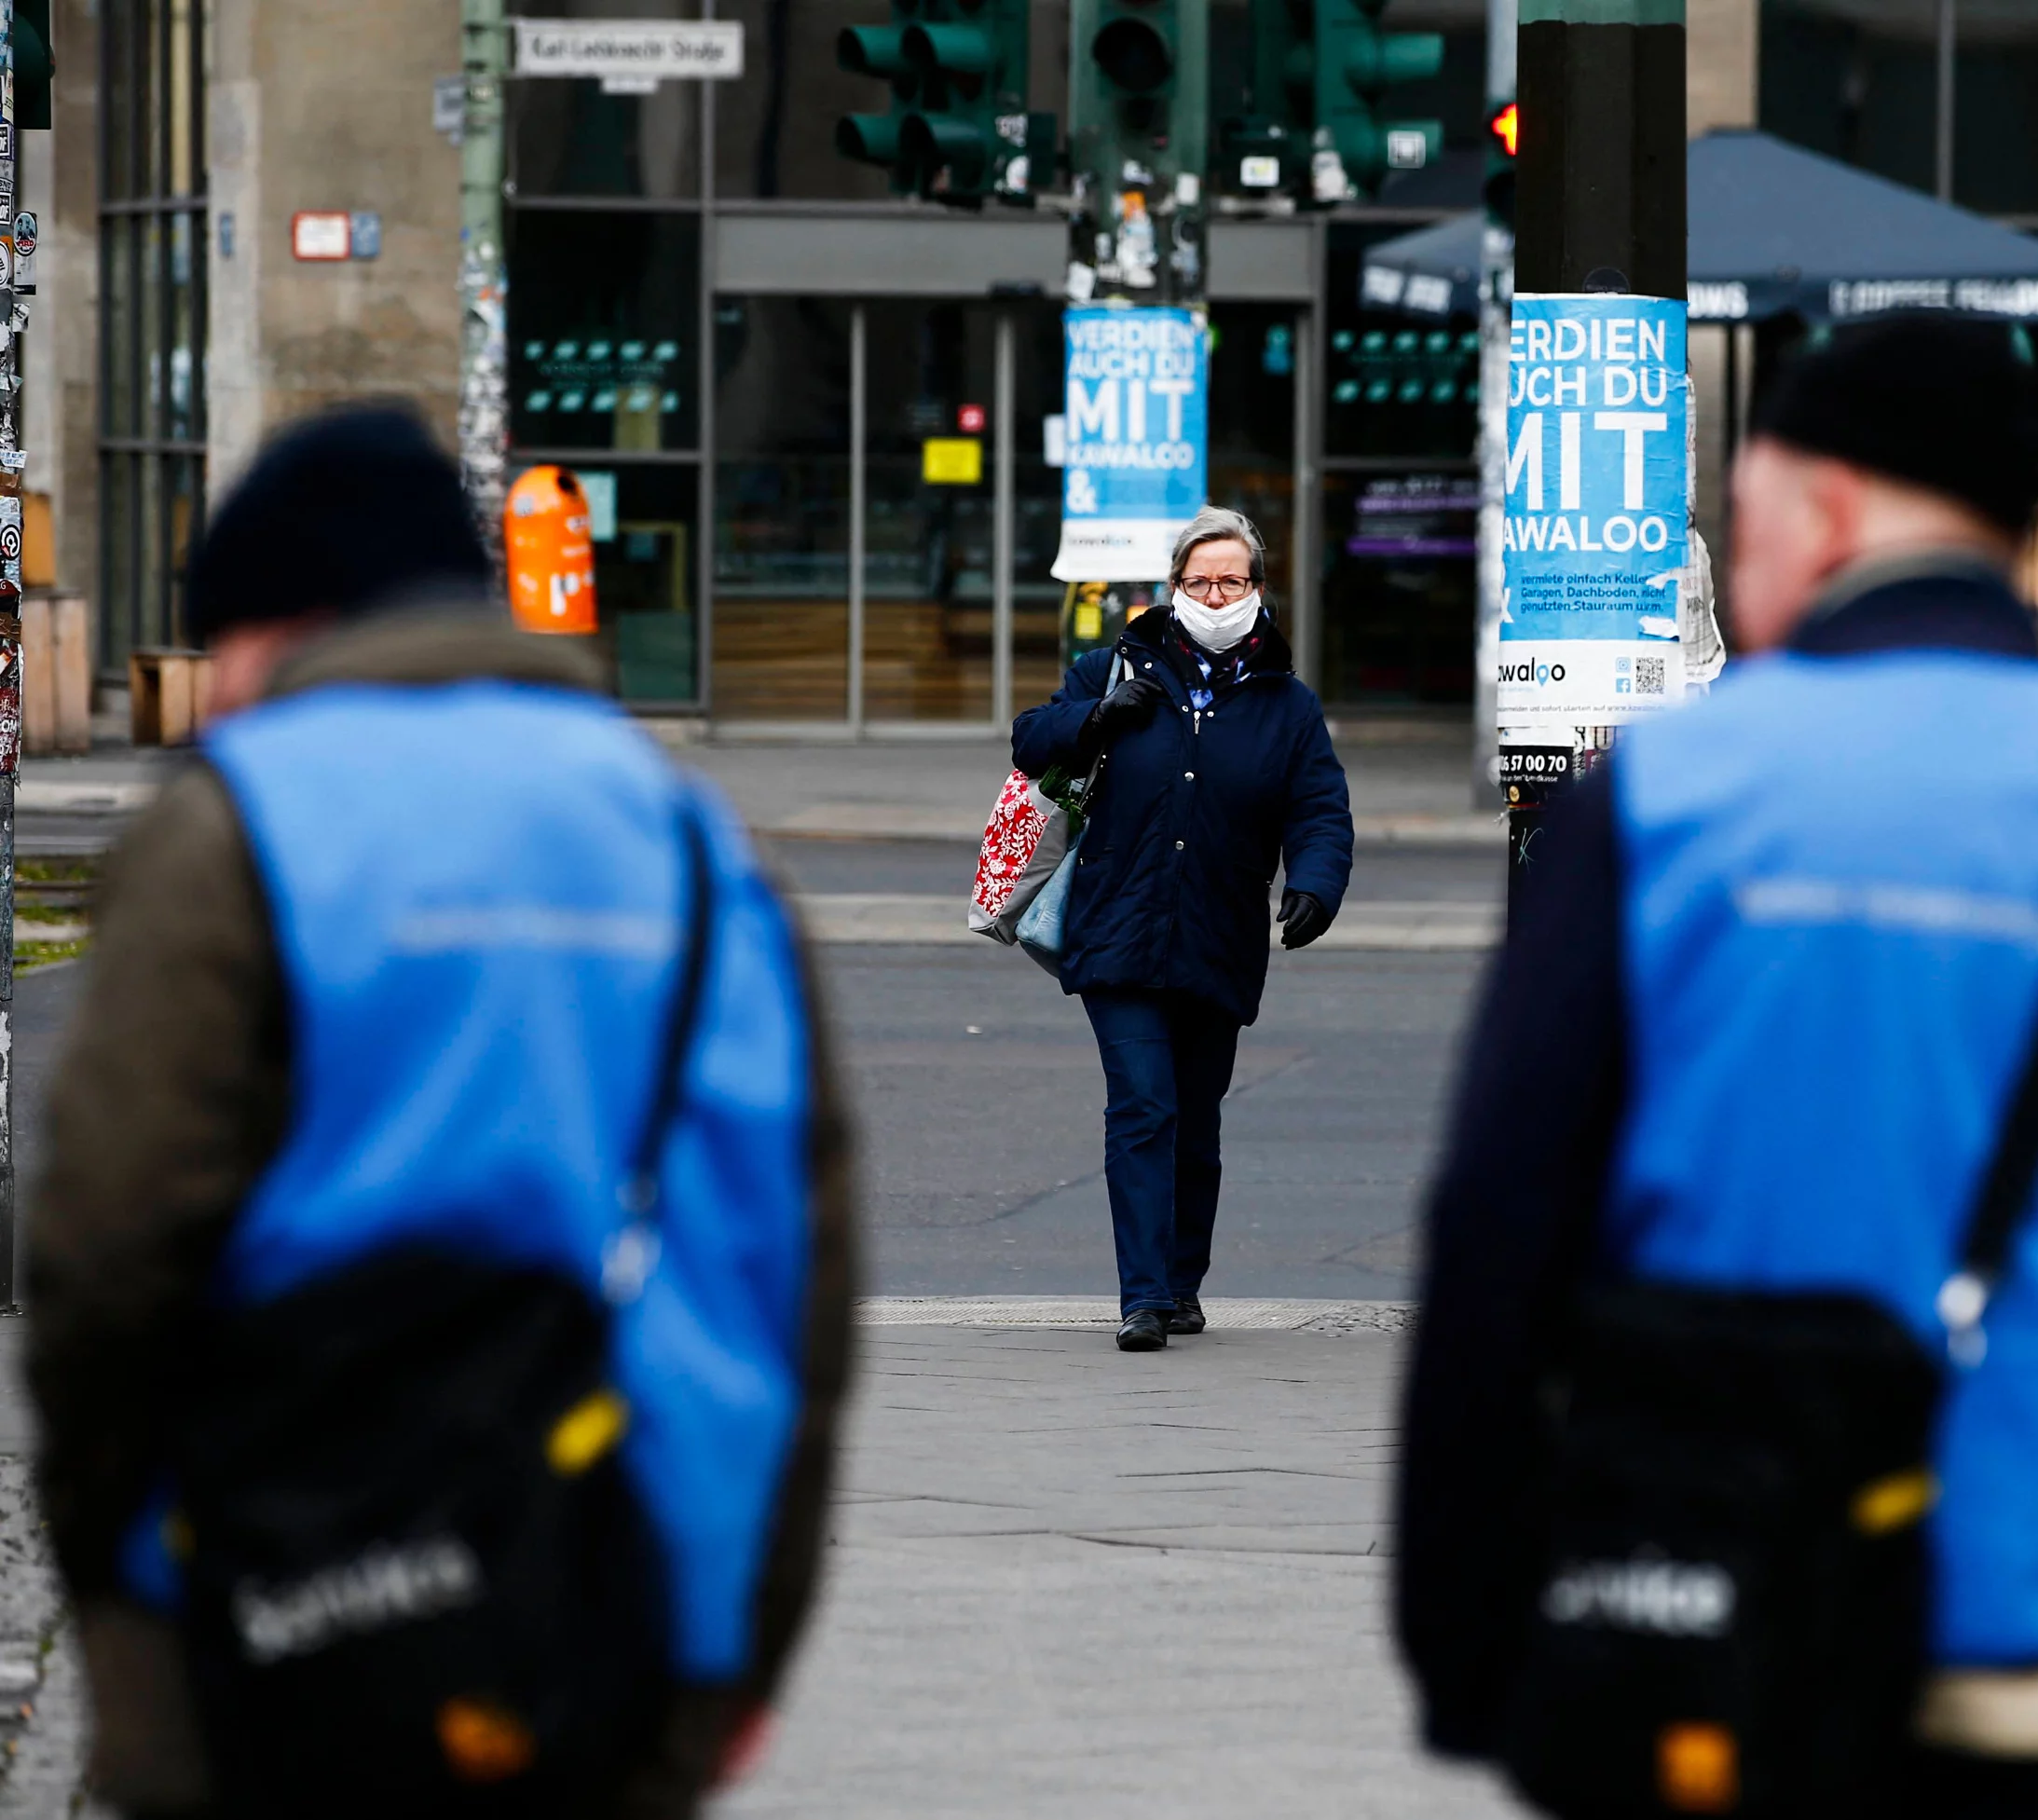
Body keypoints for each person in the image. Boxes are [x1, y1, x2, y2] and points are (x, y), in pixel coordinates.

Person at [1395, 314, 2038, 1817]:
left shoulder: (1661, 800)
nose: (1737, 554)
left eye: (1744, 513)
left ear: (1828, 503)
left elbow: (1495, 1228)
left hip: (1716, 1639)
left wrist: (1469, 1650)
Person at [27, 407, 855, 1819]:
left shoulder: (232, 824)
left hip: (264, 1605)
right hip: (621, 1601)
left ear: (279, 625)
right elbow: (793, 1278)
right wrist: (738, 1652)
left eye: (213, 647)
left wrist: (117, 1592)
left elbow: (109, 1246)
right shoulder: (689, 837)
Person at [1012, 507, 1353, 1352]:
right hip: (1118, 928)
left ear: (1257, 591)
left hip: (1218, 933)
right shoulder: (1115, 667)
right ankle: (1143, 1296)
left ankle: (1183, 1280)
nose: (1214, 593)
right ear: (1174, 588)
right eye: (1199, 581)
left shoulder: (1287, 704)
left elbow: (1320, 809)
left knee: (1195, 1121)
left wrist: (1314, 883)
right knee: (1143, 1106)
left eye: (1231, 581)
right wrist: (1096, 716)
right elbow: (1029, 740)